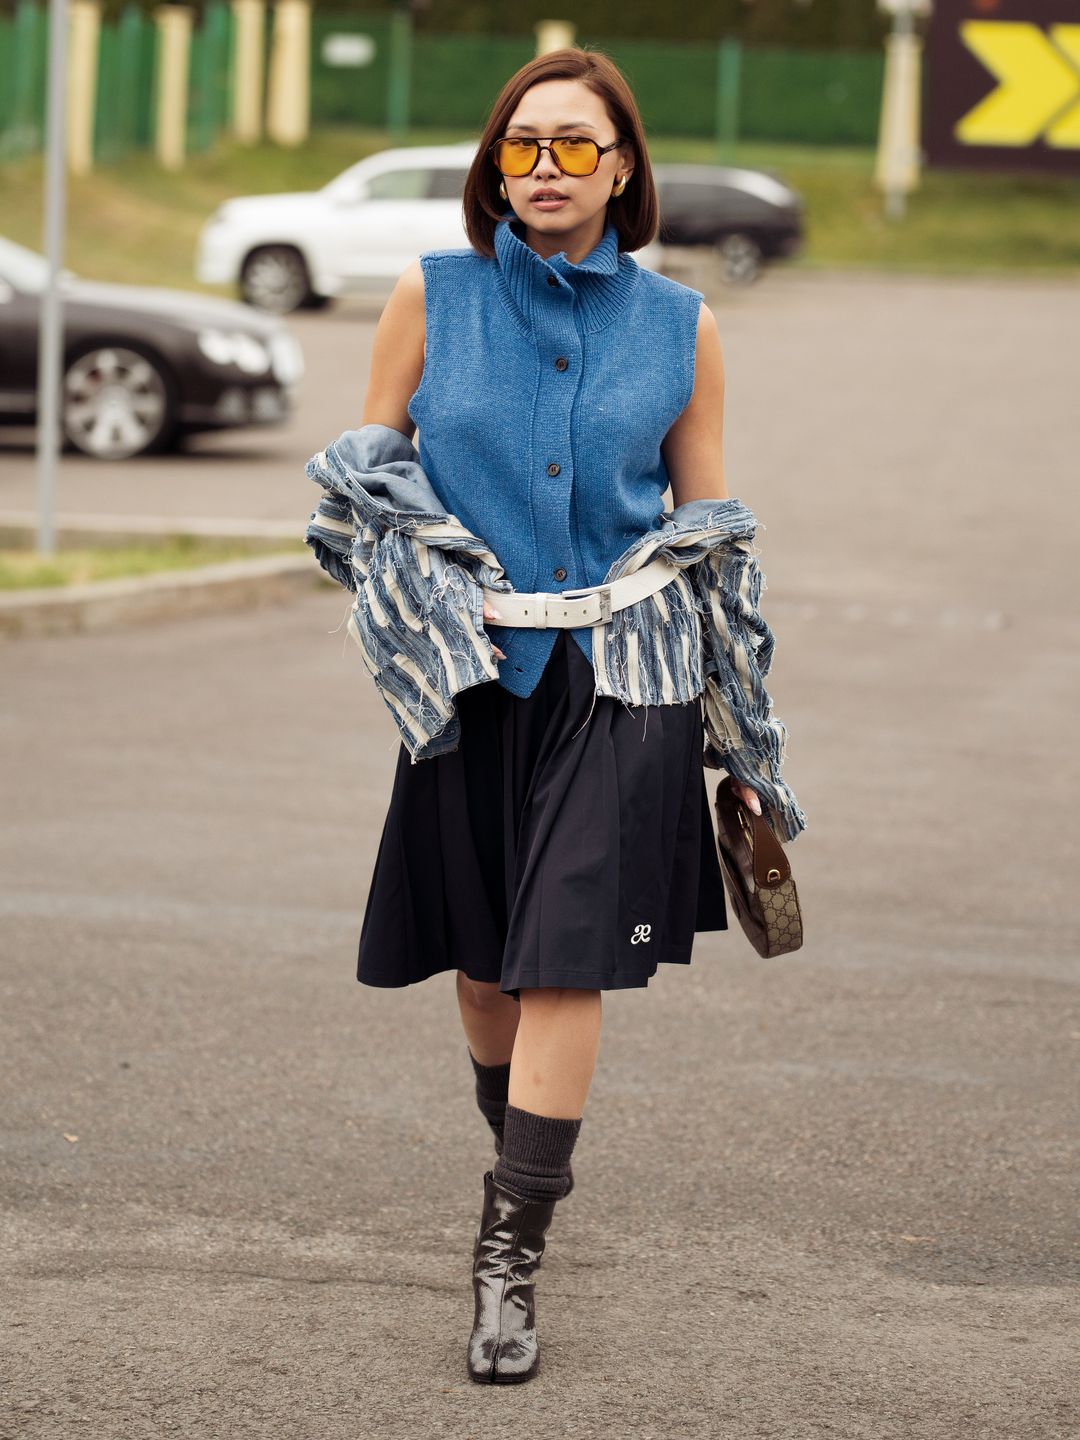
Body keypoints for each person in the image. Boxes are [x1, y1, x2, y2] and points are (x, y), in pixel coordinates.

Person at [352, 46, 783, 1384]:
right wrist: (412, 598)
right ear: (494, 165)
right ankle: (517, 1145)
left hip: (626, 682)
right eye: (521, 146)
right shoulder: (429, 298)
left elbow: (712, 533)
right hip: (470, 684)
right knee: (485, 964)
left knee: (560, 961)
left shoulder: (683, 327)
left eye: (574, 146)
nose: (545, 168)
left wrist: (748, 745)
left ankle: (508, 1261)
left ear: (624, 168)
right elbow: (364, 481)